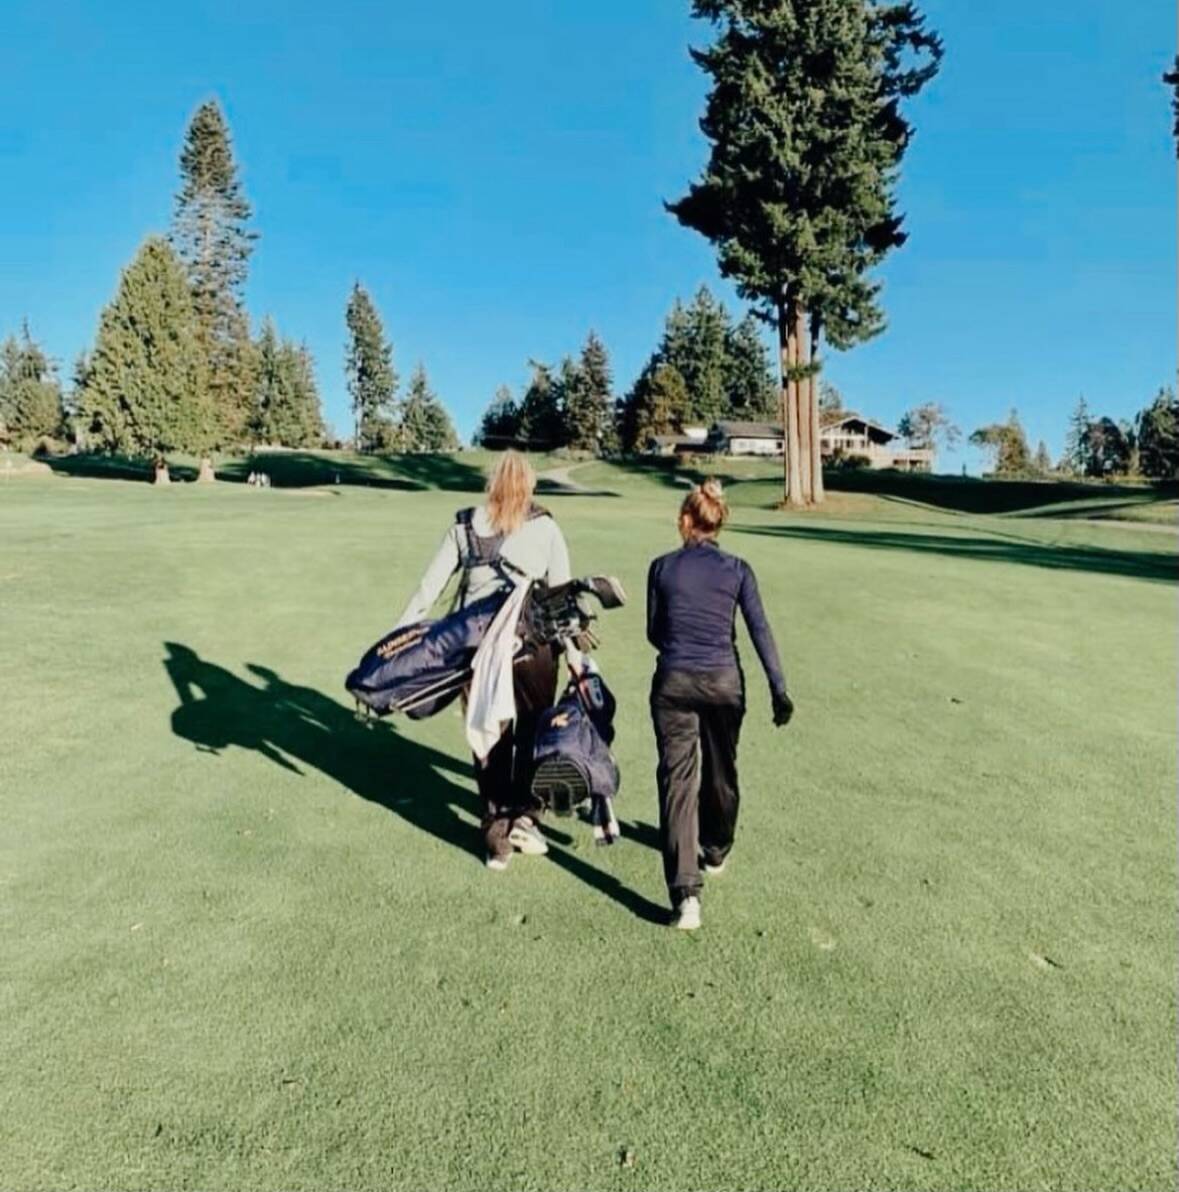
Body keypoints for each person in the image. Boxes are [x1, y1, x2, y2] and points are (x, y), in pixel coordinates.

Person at [394, 451, 575, 871]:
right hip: (534, 651)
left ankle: (497, 838)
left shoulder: (464, 524)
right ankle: (526, 817)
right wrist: (576, 655)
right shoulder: (546, 526)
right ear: (528, 485)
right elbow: (562, 595)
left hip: (475, 652)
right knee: (532, 732)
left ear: (492, 482)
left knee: (488, 737)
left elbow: (429, 588)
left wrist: (400, 639)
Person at [646, 478, 794, 930]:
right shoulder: (738, 569)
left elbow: (654, 632)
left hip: (673, 682)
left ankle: (686, 896)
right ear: (717, 523)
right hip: (725, 683)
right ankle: (715, 849)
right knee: (721, 770)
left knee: (678, 780)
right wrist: (779, 689)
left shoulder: (661, 568)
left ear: (686, 521)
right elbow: (759, 630)